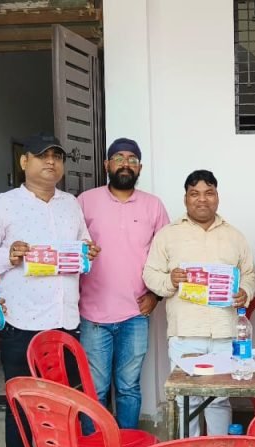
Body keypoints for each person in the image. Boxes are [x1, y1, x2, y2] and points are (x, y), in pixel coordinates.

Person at [0, 134, 99, 447]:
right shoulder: (4, 203)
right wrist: (8, 255)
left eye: (57, 156)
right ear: (24, 161)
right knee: (23, 407)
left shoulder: (70, 204)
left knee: (64, 405)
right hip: (22, 324)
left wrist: (88, 252)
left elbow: (83, 244)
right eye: (43, 156)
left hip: (65, 323)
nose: (51, 162)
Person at [143, 169, 255, 437]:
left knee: (219, 399)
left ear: (217, 197)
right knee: (187, 400)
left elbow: (249, 275)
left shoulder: (235, 236)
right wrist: (170, 280)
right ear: (185, 199)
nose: (202, 199)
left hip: (225, 331)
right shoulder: (168, 235)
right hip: (185, 333)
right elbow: (150, 275)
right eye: (194, 194)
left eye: (209, 193)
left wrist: (245, 291)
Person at [77, 138, 169, 429]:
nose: (125, 164)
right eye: (119, 158)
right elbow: (68, 249)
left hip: (135, 314)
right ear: (107, 164)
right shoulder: (84, 201)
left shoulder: (153, 205)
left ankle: (127, 446)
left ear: (140, 167)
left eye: (132, 159)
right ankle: (95, 446)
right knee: (95, 391)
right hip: (93, 314)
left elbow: (166, 254)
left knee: (129, 388)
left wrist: (156, 296)